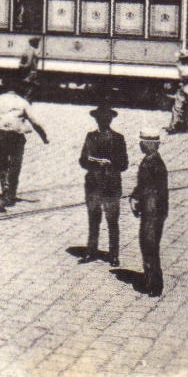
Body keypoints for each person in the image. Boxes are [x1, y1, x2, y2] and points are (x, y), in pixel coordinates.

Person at [0, 87, 50, 212]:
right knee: (15, 165)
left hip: (0, 135)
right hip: (16, 137)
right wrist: (44, 137)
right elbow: (35, 122)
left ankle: (5, 189)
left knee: (2, 164)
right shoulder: (23, 102)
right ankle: (10, 195)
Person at [78, 104, 129, 264]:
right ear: (96, 120)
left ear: (110, 120)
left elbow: (124, 164)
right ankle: (91, 251)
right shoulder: (90, 136)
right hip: (93, 184)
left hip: (111, 185)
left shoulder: (118, 138)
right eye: (100, 118)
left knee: (112, 220)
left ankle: (114, 255)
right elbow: (82, 160)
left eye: (106, 118)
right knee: (93, 219)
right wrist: (93, 162)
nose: (103, 121)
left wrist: (110, 163)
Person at [128, 127, 170, 296]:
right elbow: (143, 186)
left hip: (153, 212)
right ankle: (150, 279)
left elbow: (151, 190)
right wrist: (135, 197)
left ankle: (154, 284)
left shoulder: (154, 164)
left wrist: (139, 202)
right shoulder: (151, 161)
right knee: (148, 245)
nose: (140, 145)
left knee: (149, 245)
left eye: (143, 142)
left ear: (152, 144)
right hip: (152, 211)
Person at [167, 50, 188, 134]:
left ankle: (174, 125)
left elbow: (182, 75)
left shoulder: (181, 67)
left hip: (183, 88)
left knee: (177, 107)